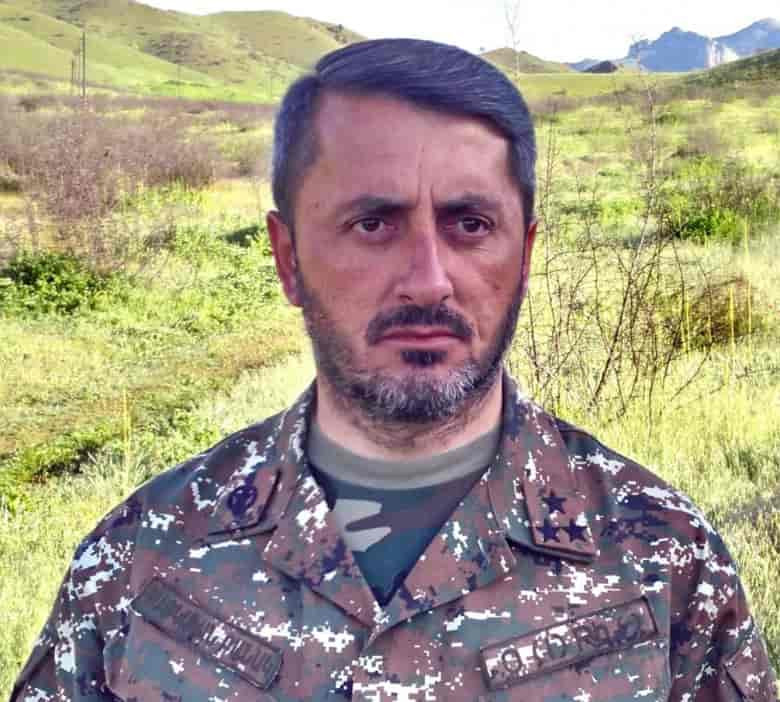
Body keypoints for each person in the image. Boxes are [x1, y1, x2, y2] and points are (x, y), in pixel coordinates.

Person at [12, 39, 777, 702]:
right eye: (373, 223)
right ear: (288, 258)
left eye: (470, 224)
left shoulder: (665, 555)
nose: (428, 281)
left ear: (525, 256)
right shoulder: (142, 555)